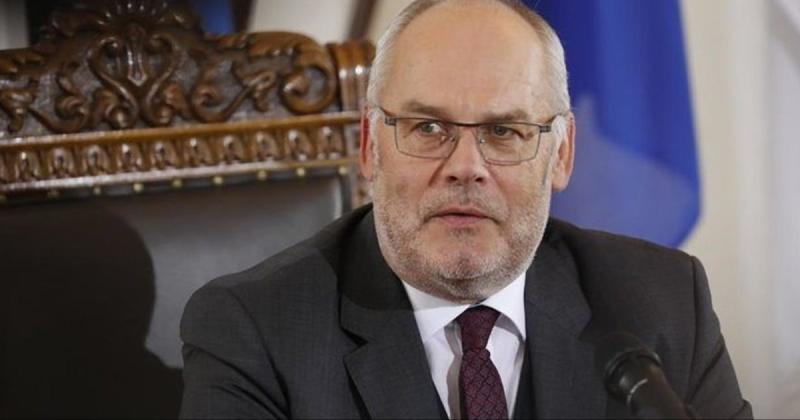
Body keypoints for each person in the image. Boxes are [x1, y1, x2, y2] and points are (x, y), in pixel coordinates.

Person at [180, 0, 752, 418]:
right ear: (370, 146)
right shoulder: (255, 332)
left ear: (561, 154)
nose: (466, 166)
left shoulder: (663, 305)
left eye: (504, 131)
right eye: (429, 127)